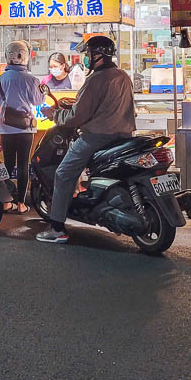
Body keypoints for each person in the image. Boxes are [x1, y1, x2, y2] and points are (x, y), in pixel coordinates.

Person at [36, 35, 135, 244]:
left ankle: (56, 228)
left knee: (63, 174)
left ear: (97, 56)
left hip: (96, 137)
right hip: (124, 136)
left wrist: (54, 115)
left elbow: (76, 116)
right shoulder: (123, 76)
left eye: (88, 54)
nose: (86, 58)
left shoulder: (96, 80)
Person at [0, 41, 45, 215]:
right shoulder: (31, 79)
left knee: (7, 163)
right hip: (25, 129)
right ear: (25, 57)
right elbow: (38, 101)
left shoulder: (0, 79)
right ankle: (21, 203)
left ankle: (6, 202)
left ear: (7, 57)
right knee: (22, 165)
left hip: (5, 128)